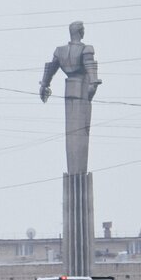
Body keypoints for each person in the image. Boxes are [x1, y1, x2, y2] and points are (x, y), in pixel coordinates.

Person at [39, 21, 102, 174]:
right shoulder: (86, 49)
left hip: (70, 91)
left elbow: (50, 69)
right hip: (81, 91)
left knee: (74, 134)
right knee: (80, 131)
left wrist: (44, 85)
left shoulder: (59, 51)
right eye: (83, 29)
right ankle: (77, 172)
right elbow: (90, 66)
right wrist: (93, 84)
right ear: (80, 32)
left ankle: (76, 173)